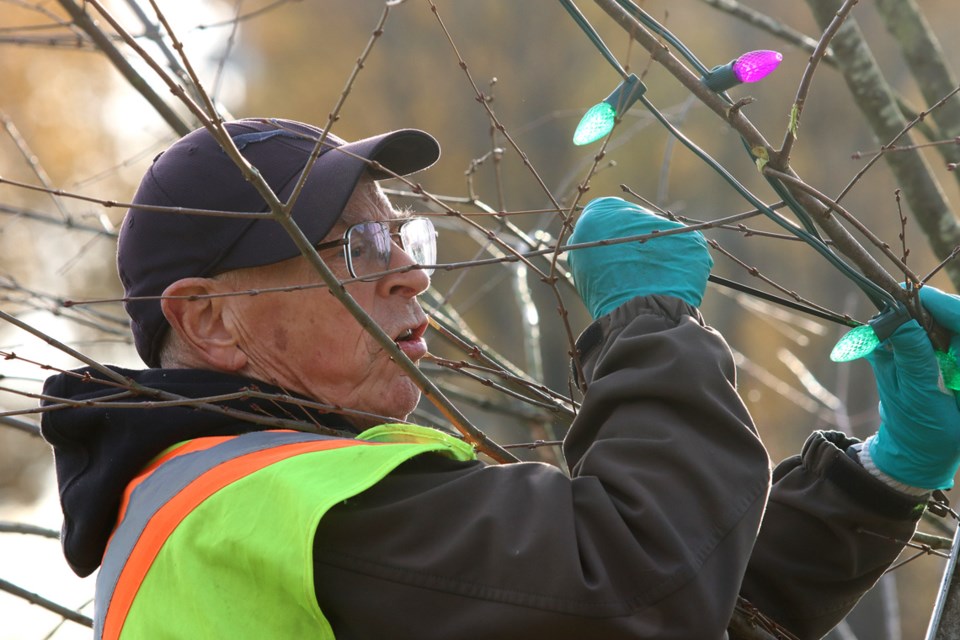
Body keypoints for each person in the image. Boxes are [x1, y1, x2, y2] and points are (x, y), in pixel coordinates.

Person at [39, 117, 960, 640]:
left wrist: (880, 477)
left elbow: (691, 603)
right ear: (207, 319)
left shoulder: (240, 505)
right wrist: (648, 328)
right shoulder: (264, 504)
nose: (408, 271)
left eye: (406, 237)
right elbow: (642, 586)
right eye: (360, 246)